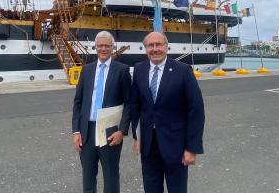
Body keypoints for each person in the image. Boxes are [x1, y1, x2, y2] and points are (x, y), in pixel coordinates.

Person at [131, 32, 205, 193]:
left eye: (159, 44)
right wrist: (137, 138)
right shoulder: (139, 69)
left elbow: (196, 110)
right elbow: (135, 106)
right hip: (148, 146)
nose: (155, 49)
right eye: (151, 45)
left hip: (176, 146)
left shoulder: (183, 71)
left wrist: (192, 148)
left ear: (166, 47)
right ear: (145, 49)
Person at [72, 31, 131, 193]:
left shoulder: (122, 70)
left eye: (107, 46)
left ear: (112, 47)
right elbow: (78, 102)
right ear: (96, 47)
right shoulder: (87, 70)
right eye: (100, 46)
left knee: (111, 176)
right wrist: (76, 131)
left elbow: (129, 103)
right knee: (88, 175)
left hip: (110, 131)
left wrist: (122, 131)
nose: (103, 49)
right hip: (87, 131)